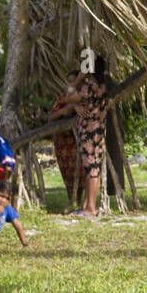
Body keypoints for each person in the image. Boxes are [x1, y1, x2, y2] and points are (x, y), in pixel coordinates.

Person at [60, 58, 109, 217]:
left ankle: (90, 208)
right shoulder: (102, 86)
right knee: (91, 169)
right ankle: (87, 206)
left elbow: (67, 98)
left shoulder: (89, 87)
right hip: (98, 131)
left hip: (89, 132)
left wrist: (79, 79)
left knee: (91, 170)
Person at [48, 70, 85, 207]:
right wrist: (63, 111)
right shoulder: (62, 99)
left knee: (81, 171)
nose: (72, 84)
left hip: (79, 140)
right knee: (67, 172)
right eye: (69, 81)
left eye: (75, 81)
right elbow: (50, 117)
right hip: (63, 142)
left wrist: (76, 106)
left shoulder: (86, 96)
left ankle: (80, 202)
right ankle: (72, 202)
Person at [0, 181, 28, 246]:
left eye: (7, 198)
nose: (3, 200)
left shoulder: (7, 208)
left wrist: (24, 243)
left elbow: (17, 225)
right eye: (1, 196)